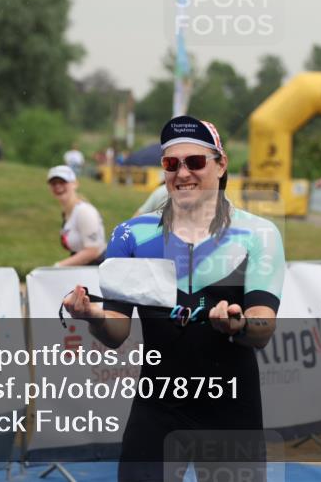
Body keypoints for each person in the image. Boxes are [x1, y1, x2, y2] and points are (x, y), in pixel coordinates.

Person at [61, 116, 285, 481]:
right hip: (158, 405)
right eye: (171, 164)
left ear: (221, 165)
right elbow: (116, 332)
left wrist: (240, 325)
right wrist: (92, 316)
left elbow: (264, 326)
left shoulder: (258, 234)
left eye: (195, 162)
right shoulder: (131, 235)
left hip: (230, 406)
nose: (182, 173)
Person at [47, 165, 106, 266]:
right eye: (53, 183)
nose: (57, 186)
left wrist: (59, 266)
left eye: (63, 182)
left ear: (75, 184)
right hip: (83, 269)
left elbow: (93, 251)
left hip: (96, 269)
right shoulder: (67, 213)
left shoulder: (84, 211)